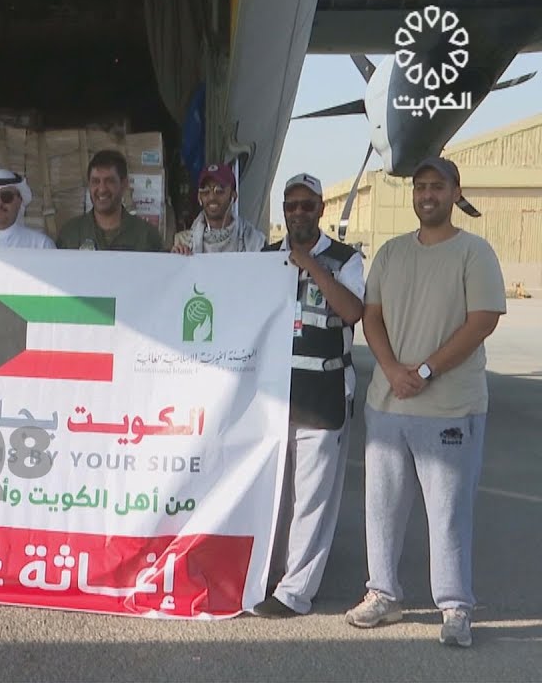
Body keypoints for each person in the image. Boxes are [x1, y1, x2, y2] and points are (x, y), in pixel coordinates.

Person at [345, 156, 505, 647]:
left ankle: (455, 606)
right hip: (388, 405)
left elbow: (482, 321)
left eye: (437, 186)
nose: (427, 195)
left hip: (449, 409)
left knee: (449, 512)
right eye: (420, 187)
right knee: (382, 508)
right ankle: (383, 593)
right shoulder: (391, 253)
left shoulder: (474, 253)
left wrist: (427, 370)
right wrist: (393, 370)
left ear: (456, 193)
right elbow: (371, 316)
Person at [254, 173, 364, 618]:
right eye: (291, 205)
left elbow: (353, 311)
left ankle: (295, 592)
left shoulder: (345, 259)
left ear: (321, 208)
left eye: (306, 205)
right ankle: (270, 573)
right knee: (275, 495)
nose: (298, 212)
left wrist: (311, 266)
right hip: (275, 394)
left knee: (312, 497)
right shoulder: (265, 258)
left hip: (323, 391)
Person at [56, 150, 163, 252]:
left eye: (110, 181)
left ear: (124, 184)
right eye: (95, 181)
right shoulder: (70, 235)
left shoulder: (147, 236)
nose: (102, 189)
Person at [171, 162, 265, 254]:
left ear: (233, 196)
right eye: (206, 191)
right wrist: (176, 258)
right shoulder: (183, 242)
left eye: (219, 190)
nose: (212, 197)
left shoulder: (254, 241)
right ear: (199, 197)